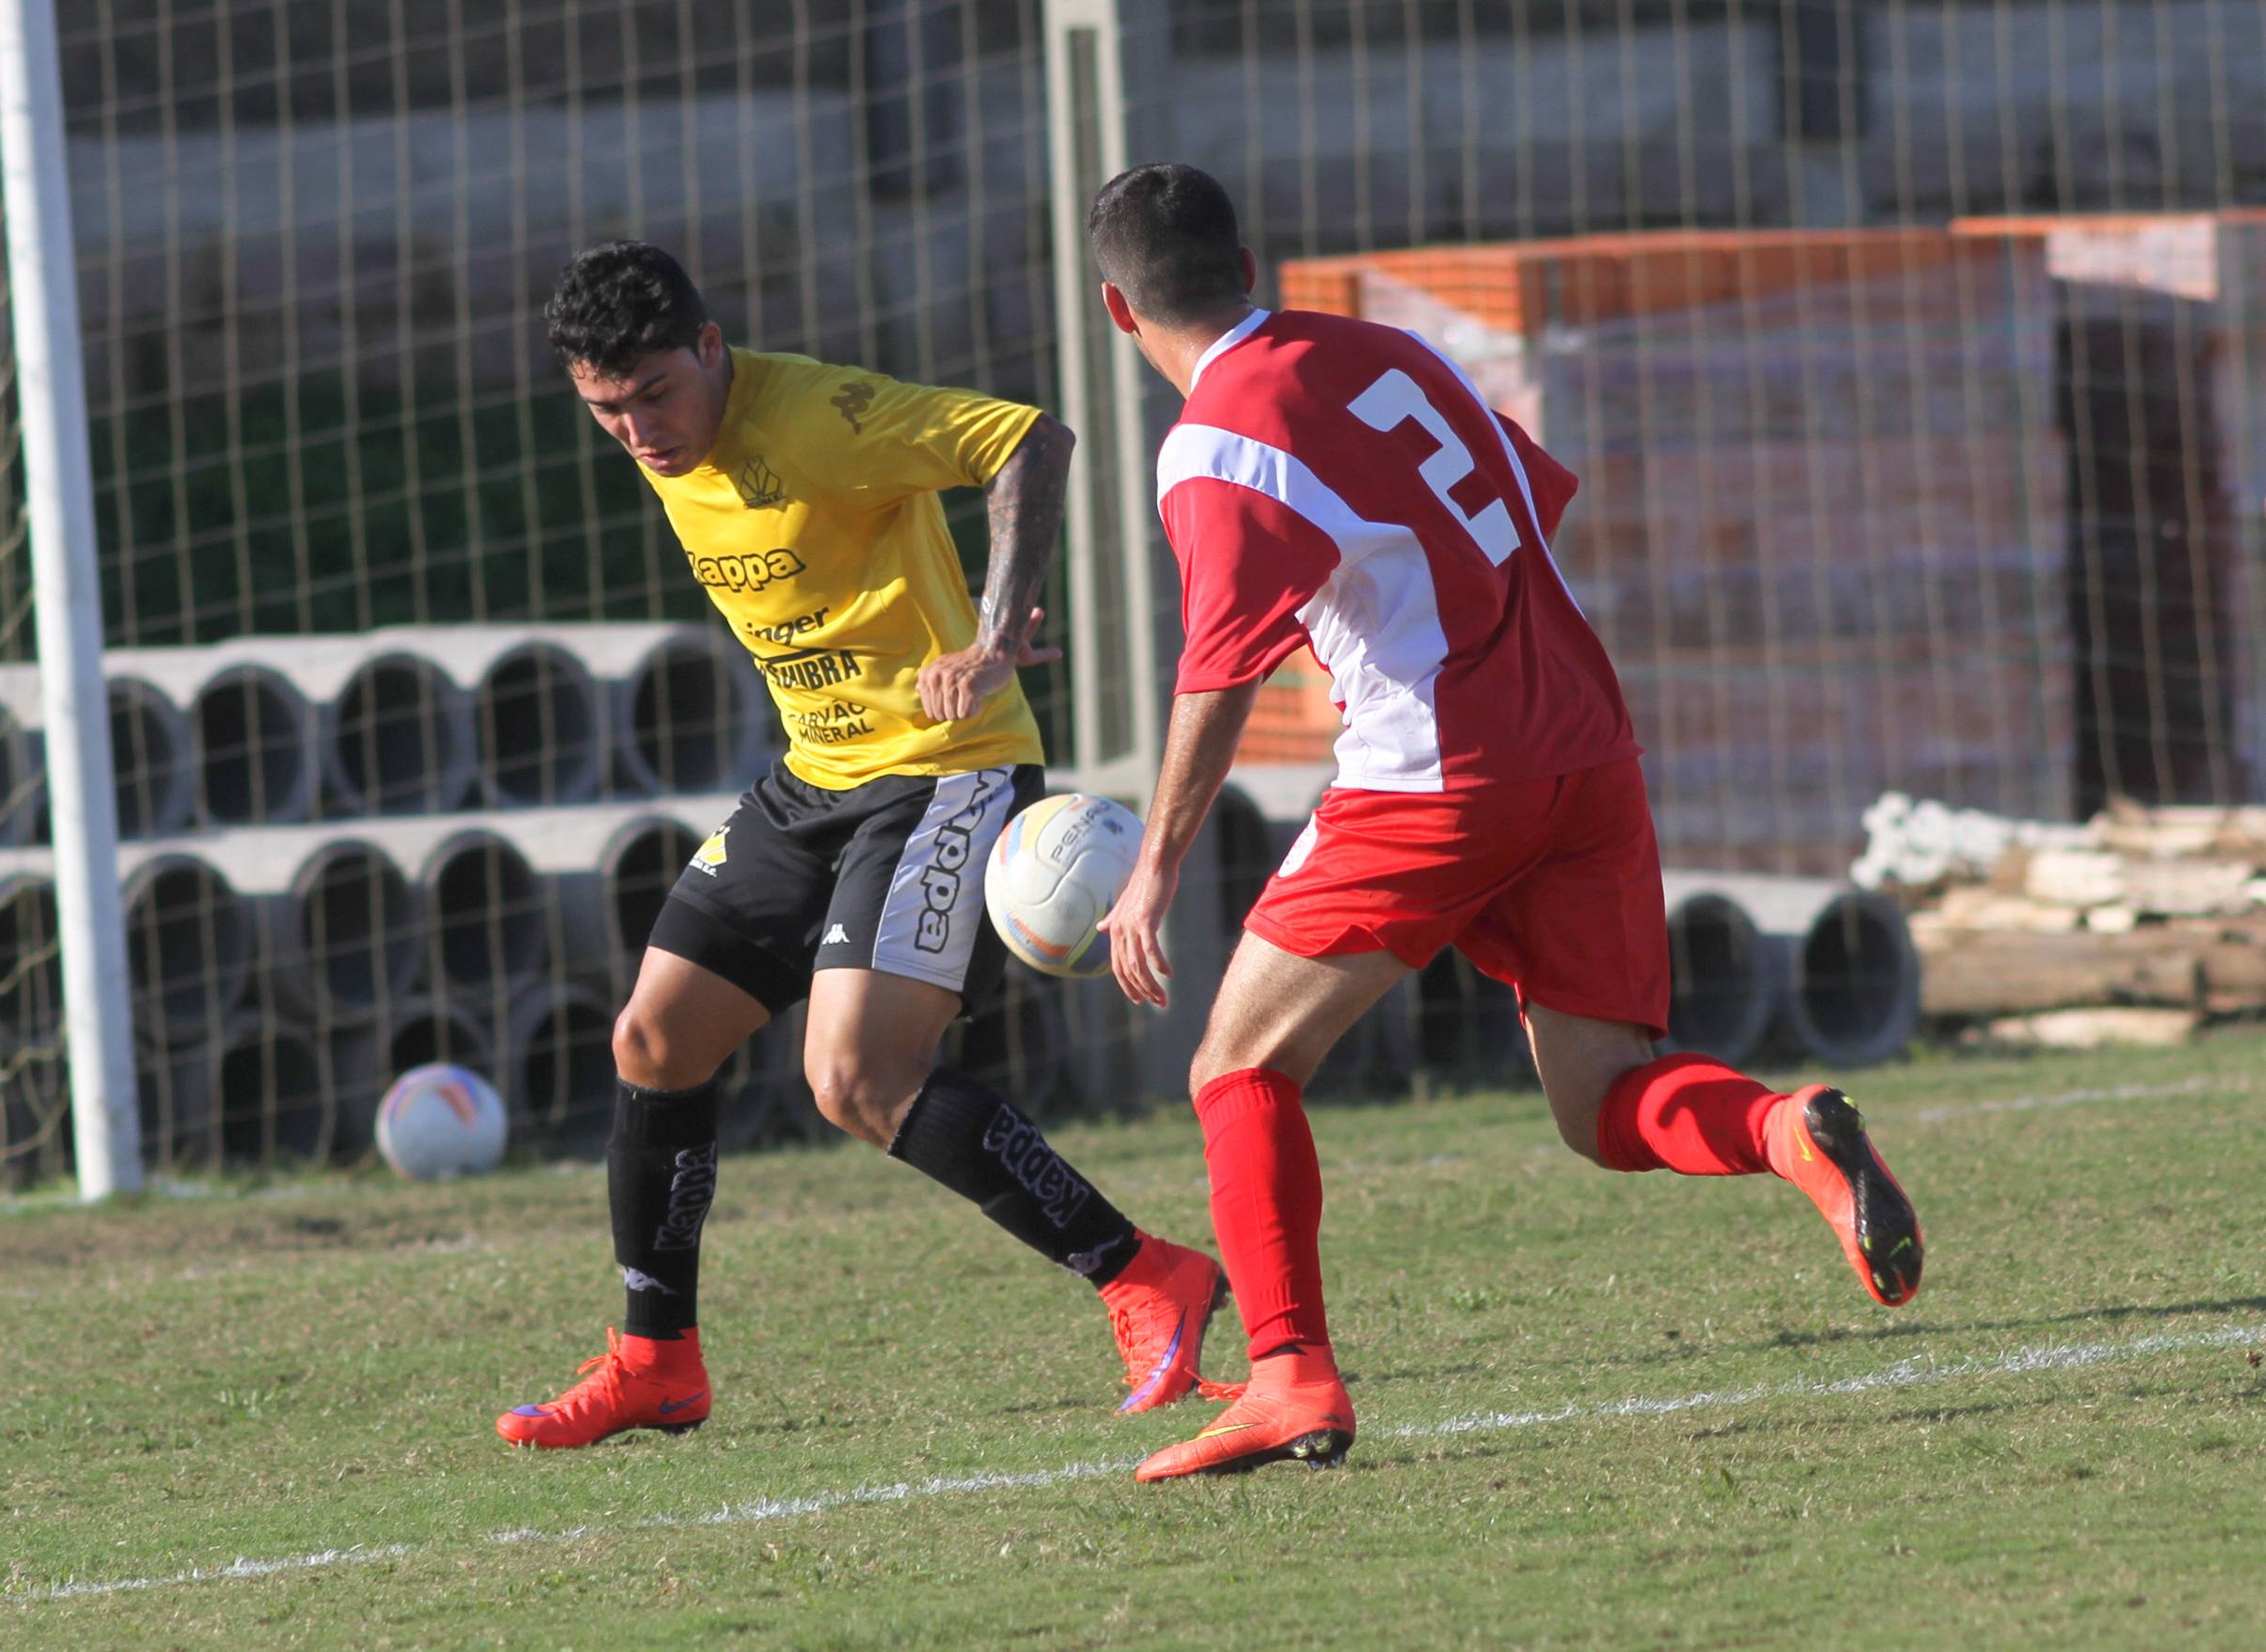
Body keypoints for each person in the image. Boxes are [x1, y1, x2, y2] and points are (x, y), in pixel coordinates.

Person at [1082, 165, 1924, 1483]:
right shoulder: (1390, 354)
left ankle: (1288, 1376)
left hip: (1435, 777)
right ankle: (1785, 1128)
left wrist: (1151, 872)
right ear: (1248, 265)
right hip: (1583, 746)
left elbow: (1217, 674)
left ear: (1117, 313)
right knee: (1603, 1108)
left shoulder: (1215, 439)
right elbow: (1515, 503)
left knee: (1236, 1068)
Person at [497, 241, 1231, 1449]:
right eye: (606, 410)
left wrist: (992, 628)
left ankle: (1146, 1273)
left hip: (944, 768)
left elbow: (1027, 440)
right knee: (654, 1039)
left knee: (854, 1079)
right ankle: (655, 1362)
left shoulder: (821, 415)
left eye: (654, 396)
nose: (637, 432)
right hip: (814, 777)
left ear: (712, 348)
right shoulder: (665, 438)